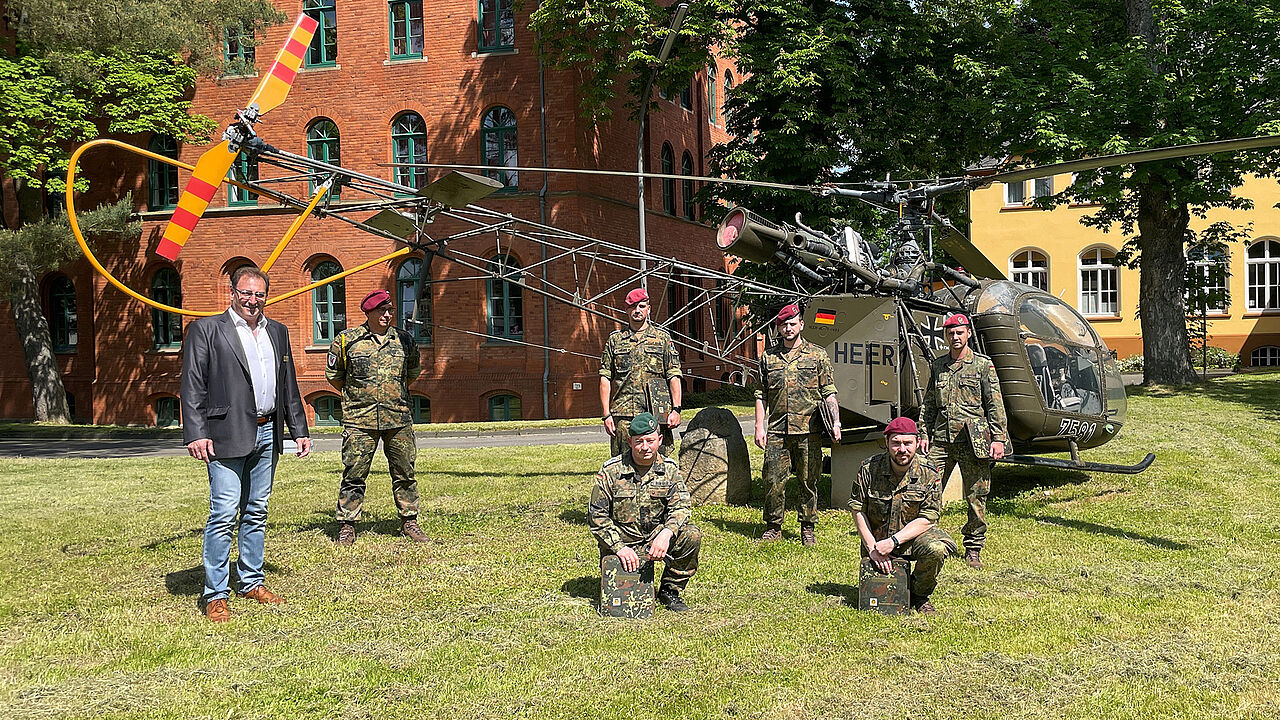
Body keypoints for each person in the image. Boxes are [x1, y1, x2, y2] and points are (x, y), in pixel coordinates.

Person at [181, 266, 312, 623]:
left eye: (259, 294)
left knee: (256, 511)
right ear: (232, 292)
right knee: (223, 514)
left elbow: (288, 385)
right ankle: (215, 594)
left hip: (268, 431)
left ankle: (252, 581)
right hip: (224, 435)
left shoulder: (278, 332)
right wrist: (196, 432)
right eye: (246, 293)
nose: (253, 300)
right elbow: (192, 385)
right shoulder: (207, 329)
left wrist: (298, 428)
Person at [326, 289, 425, 545]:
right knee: (354, 474)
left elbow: (412, 372)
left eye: (390, 310)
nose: (387, 314)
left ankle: (409, 521)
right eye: (381, 310)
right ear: (368, 312)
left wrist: (392, 395)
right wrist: (361, 398)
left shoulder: (404, 340)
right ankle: (347, 525)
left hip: (398, 418)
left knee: (405, 472)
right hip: (360, 420)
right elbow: (334, 375)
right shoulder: (347, 340)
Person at [919, 312, 1008, 569]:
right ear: (946, 336)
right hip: (941, 440)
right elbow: (928, 405)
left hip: (973, 441)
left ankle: (973, 546)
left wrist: (998, 439)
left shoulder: (982, 365)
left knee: (976, 495)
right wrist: (924, 434)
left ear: (968, 333)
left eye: (959, 332)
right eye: (950, 333)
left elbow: (995, 404)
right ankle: (926, 538)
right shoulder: (938, 366)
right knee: (927, 489)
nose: (955, 337)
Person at [588, 413, 701, 612]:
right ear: (630, 441)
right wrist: (619, 547)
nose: (645, 447)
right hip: (623, 540)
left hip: (655, 538)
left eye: (650, 441)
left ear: (659, 440)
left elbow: (681, 506)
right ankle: (620, 571)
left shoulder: (670, 470)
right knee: (619, 606)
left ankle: (670, 590)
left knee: (691, 535)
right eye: (639, 442)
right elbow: (597, 516)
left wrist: (666, 533)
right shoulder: (611, 471)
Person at [849, 417, 955, 615]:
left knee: (936, 548)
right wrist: (872, 548)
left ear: (916, 443)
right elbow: (858, 510)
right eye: (896, 443)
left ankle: (919, 595)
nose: (902, 449)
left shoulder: (929, 473)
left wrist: (894, 541)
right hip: (877, 543)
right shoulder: (869, 469)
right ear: (887, 443)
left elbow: (928, 518)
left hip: (911, 539)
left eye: (907, 443)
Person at [754, 303, 840, 545]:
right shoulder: (768, 357)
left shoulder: (817, 355)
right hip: (778, 431)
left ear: (801, 324)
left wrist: (836, 422)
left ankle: (807, 526)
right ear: (778, 328)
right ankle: (773, 526)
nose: (788, 328)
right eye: (783, 324)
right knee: (772, 480)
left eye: (792, 323)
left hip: (808, 430)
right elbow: (761, 394)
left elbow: (829, 392)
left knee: (808, 480)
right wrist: (759, 426)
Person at [599, 287, 683, 458]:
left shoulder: (662, 339)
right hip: (624, 415)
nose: (637, 310)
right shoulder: (615, 341)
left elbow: (673, 375)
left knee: (659, 462)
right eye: (633, 306)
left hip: (657, 413)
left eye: (642, 306)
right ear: (626, 309)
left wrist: (676, 409)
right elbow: (605, 378)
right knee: (623, 462)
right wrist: (606, 414)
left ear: (648, 309)